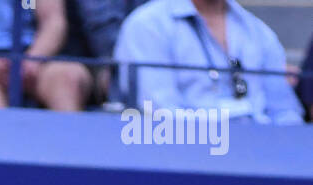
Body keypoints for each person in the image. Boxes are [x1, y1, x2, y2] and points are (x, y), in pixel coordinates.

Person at [114, 0, 303, 122]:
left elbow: (286, 112)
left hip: (261, 158)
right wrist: (244, 113)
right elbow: (159, 115)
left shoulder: (259, 32)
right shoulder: (147, 25)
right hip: (182, 162)